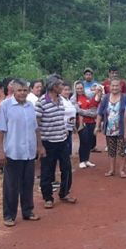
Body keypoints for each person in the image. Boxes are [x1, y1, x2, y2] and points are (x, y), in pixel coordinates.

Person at [0, 79, 39, 226]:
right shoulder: (5, 106)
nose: (22, 93)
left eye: (25, 90)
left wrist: (40, 146)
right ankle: (9, 215)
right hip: (13, 151)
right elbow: (0, 129)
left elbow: (35, 128)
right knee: (11, 186)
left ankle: (28, 211)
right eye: (19, 90)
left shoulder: (30, 106)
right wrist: (0, 151)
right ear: (13, 90)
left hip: (29, 151)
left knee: (28, 183)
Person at [36, 75, 77, 209]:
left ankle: (64, 193)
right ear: (54, 87)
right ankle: (48, 197)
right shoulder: (42, 102)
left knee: (66, 168)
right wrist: (39, 145)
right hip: (48, 142)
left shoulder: (60, 100)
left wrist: (64, 130)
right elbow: (36, 124)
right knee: (47, 171)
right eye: (60, 85)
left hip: (61, 140)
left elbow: (61, 117)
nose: (63, 87)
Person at [96, 78, 126, 178]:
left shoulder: (125, 98)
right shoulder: (105, 98)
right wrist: (97, 126)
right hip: (109, 129)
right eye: (112, 86)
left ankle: (121, 171)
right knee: (111, 150)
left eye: (116, 85)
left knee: (122, 150)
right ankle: (111, 170)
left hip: (122, 129)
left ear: (120, 87)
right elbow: (100, 113)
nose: (114, 88)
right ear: (109, 87)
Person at [73, 80, 101, 168]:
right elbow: (78, 110)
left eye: (81, 88)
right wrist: (90, 113)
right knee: (83, 141)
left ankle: (86, 160)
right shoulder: (74, 98)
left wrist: (88, 112)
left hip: (91, 122)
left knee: (89, 142)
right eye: (77, 88)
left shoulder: (87, 96)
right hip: (81, 123)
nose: (79, 90)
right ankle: (81, 160)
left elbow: (94, 109)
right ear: (75, 89)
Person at [61, 82, 77, 155]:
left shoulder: (68, 100)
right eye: (65, 90)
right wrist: (64, 128)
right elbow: (59, 115)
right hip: (64, 128)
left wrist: (73, 126)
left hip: (70, 127)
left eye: (68, 90)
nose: (67, 92)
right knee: (65, 149)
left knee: (68, 149)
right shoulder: (60, 100)